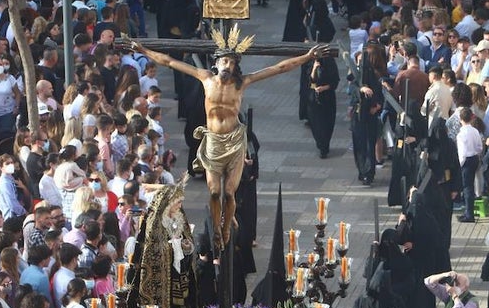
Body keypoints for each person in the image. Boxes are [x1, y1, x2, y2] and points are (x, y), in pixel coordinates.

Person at [122, 33, 332, 248]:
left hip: (233, 140)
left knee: (229, 192)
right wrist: (144, 51)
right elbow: (170, 62)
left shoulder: (242, 83)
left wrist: (307, 56)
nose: (227, 65)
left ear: (235, 67)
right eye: (224, 61)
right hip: (213, 140)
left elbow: (279, 68)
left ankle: (225, 231)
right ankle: (216, 227)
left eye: (231, 62)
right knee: (214, 192)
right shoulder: (205, 78)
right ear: (217, 62)